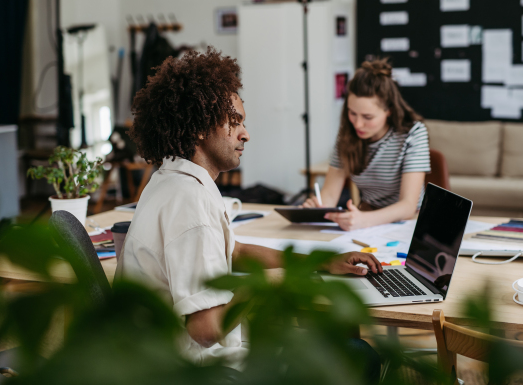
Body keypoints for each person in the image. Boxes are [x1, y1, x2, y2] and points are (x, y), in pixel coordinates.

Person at [116, 48, 381, 381]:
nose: (246, 133)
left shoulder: (173, 180)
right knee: (358, 356)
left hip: (179, 359)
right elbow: (206, 328)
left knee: (340, 341)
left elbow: (235, 251)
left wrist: (319, 263)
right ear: (199, 128)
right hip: (202, 372)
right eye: (235, 122)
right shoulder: (189, 201)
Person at [303, 58, 431, 231]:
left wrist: (364, 220)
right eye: (352, 113)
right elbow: (330, 195)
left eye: (368, 117)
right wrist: (317, 209)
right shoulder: (348, 134)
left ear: (389, 111)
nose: (357, 124)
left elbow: (408, 206)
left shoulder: (413, 133)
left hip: (407, 223)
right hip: (368, 220)